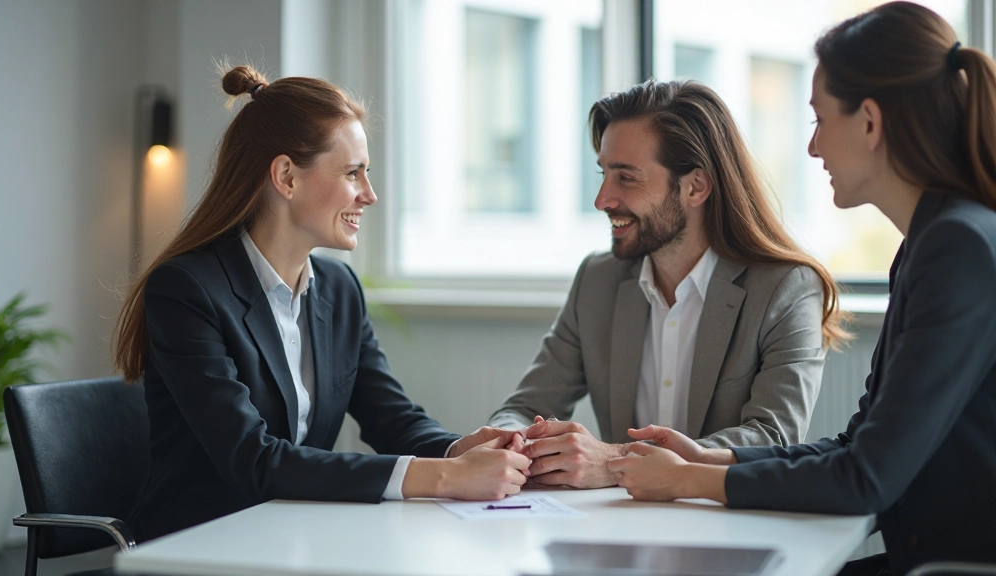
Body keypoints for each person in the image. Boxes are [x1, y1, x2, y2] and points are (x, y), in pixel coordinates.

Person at [607, 3, 996, 575]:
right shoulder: (930, 241)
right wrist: (713, 457)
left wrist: (690, 481)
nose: (813, 148)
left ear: (869, 121)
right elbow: (860, 442)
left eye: (819, 120)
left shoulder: (956, 248)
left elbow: (866, 478)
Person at [113, 65, 529, 542]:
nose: (369, 195)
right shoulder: (187, 290)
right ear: (287, 176)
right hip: (202, 546)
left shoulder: (338, 289)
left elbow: (391, 418)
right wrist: (443, 477)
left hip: (296, 538)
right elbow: (254, 458)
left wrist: (460, 449)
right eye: (353, 173)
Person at [488, 79, 847, 489]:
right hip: (624, 524)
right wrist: (511, 441)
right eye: (604, 174)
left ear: (696, 186)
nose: (602, 199)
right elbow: (525, 405)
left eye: (626, 178)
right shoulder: (597, 279)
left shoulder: (787, 288)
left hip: (729, 525)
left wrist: (613, 461)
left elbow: (772, 438)